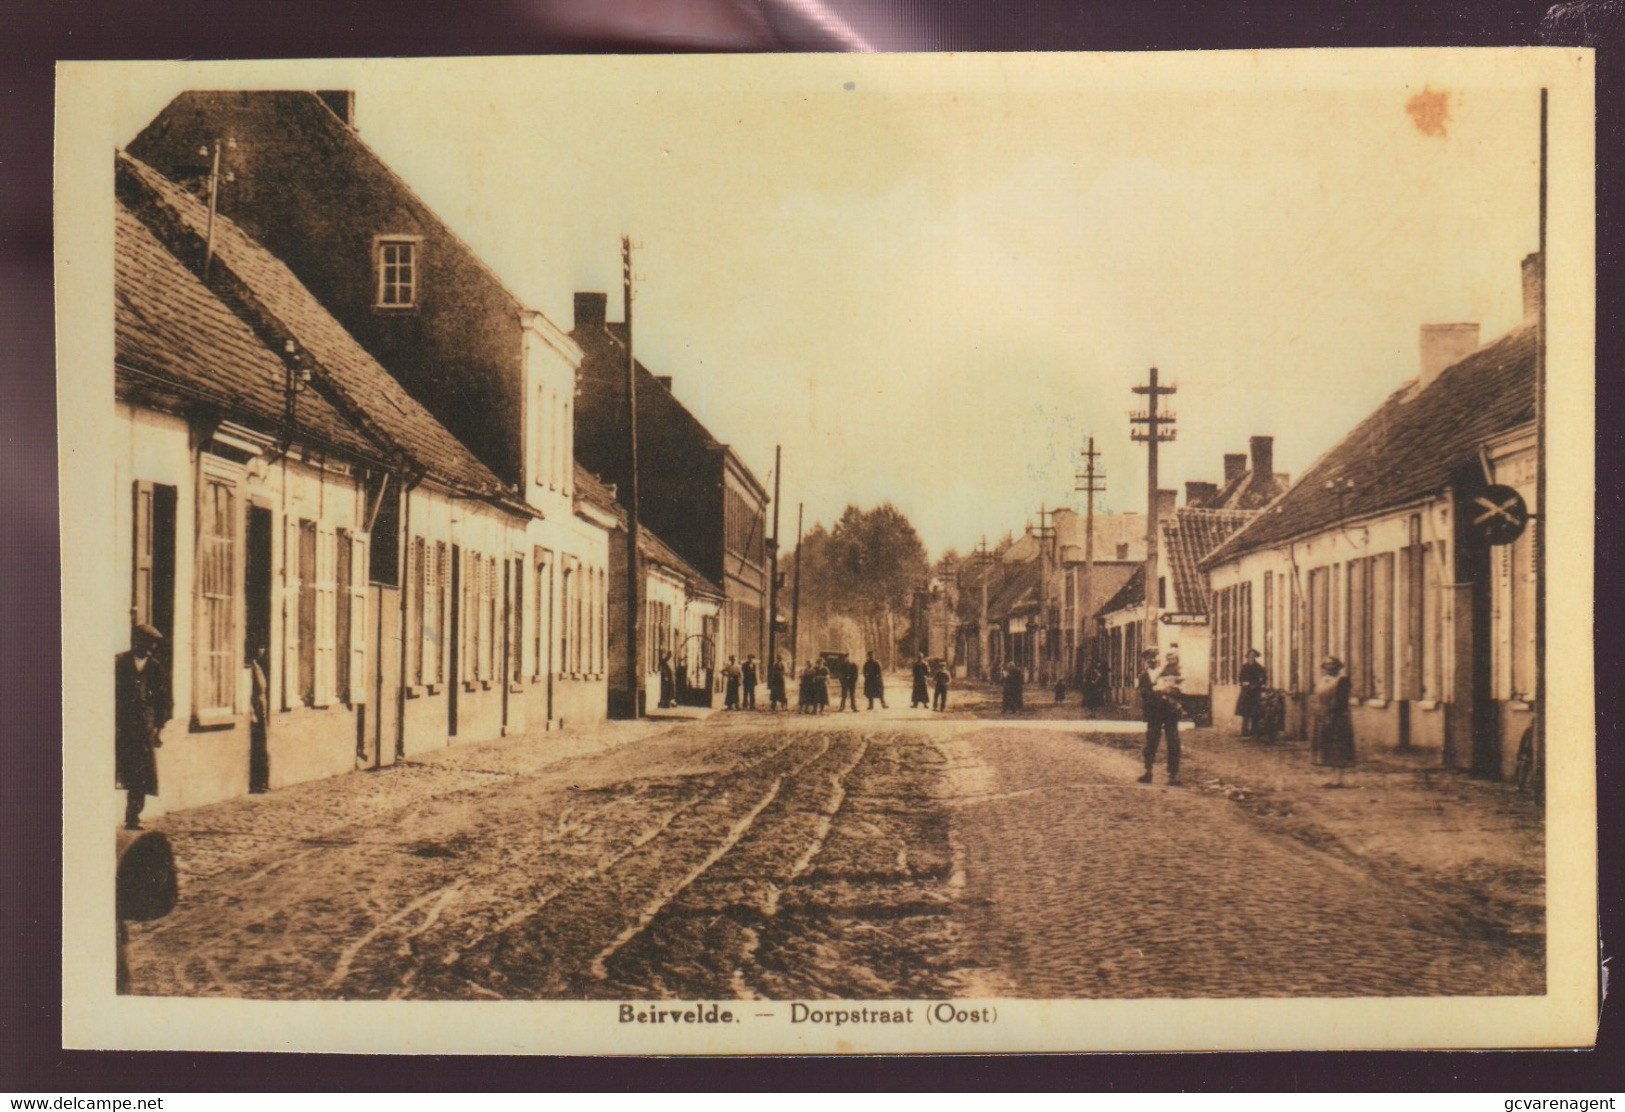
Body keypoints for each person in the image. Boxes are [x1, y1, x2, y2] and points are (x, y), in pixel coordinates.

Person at [115, 623, 171, 830]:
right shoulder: (119, 663)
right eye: (145, 644)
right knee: (118, 769)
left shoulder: (155, 668)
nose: (149, 649)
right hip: (120, 727)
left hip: (143, 730)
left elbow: (164, 700)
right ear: (136, 642)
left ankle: (132, 816)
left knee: (140, 773)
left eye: (152, 645)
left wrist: (158, 726)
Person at [1136, 647, 1182, 785]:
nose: (1153, 659)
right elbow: (1143, 694)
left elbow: (1179, 688)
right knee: (1151, 742)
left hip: (1169, 712)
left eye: (1155, 656)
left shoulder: (1169, 671)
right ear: (1145, 660)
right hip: (1154, 713)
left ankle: (1173, 775)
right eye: (1150, 657)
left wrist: (1171, 692)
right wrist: (1158, 693)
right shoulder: (1143, 676)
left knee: (1174, 743)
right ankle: (1148, 771)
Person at [1313, 655, 1355, 785]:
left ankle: (1339, 779)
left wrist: (1332, 714)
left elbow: (1341, 701)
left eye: (1331, 666)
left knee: (1338, 747)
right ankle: (1333, 778)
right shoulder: (1324, 680)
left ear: (1337, 667)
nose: (1328, 668)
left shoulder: (1342, 680)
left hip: (1337, 717)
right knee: (1328, 747)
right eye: (1326, 666)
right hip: (1324, 716)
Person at [248, 644, 271, 794]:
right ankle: (257, 782)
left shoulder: (257, 666)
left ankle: (262, 781)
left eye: (263, 647)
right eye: (259, 647)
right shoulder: (250, 667)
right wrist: (251, 712)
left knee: (263, 743)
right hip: (256, 708)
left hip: (262, 707)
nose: (261, 650)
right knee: (258, 744)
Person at [1235, 648, 1267, 737]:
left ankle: (1254, 731)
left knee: (1255, 712)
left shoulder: (1259, 667)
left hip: (1255, 693)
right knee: (1245, 713)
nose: (1251, 657)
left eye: (1253, 656)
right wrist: (1244, 683)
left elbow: (1263, 679)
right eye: (1250, 656)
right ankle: (1244, 731)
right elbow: (1240, 678)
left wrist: (1256, 685)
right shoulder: (1244, 667)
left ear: (1255, 657)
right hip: (1246, 692)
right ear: (1247, 657)